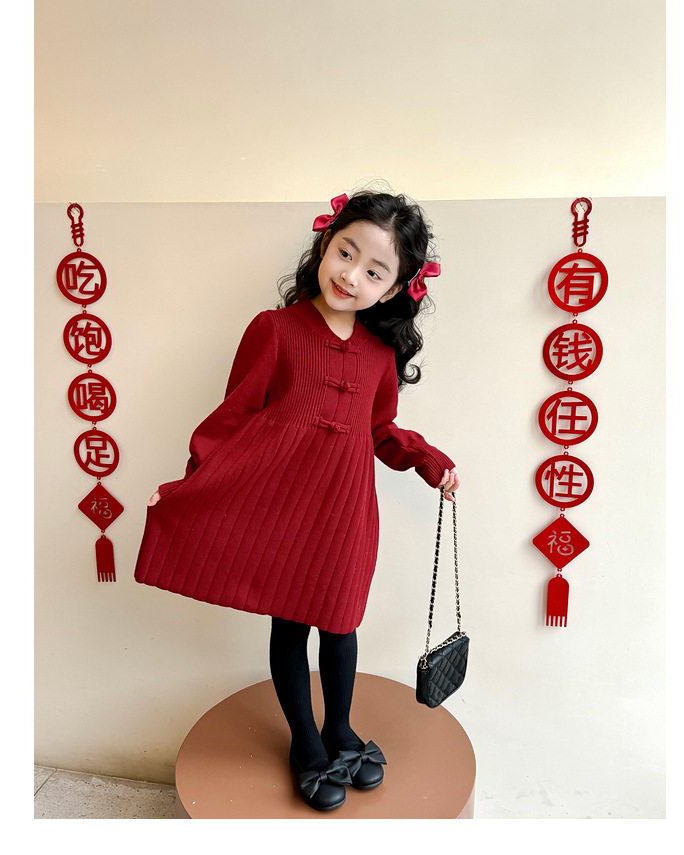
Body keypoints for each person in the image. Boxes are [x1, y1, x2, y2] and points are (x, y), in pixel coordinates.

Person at [135, 190, 459, 811]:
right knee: (290, 623)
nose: (351, 276)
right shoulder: (275, 330)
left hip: (345, 512)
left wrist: (428, 462)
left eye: (375, 272)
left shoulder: (379, 354)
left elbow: (380, 430)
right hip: (282, 508)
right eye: (346, 253)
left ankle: (340, 729)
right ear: (325, 243)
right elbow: (233, 416)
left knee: (341, 622)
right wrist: (191, 483)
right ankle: (304, 741)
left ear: (393, 290)